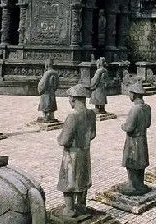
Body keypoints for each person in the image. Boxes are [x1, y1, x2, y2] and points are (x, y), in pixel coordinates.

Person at [57, 83, 96, 217]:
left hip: (72, 154)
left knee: (68, 181)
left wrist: (59, 139)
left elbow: (65, 140)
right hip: (85, 152)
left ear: (73, 99)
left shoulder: (72, 116)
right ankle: (81, 205)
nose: (69, 101)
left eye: (69, 98)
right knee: (82, 178)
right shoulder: (91, 114)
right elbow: (92, 134)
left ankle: (70, 209)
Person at [120, 82, 151, 196]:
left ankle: (133, 185)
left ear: (133, 95)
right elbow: (148, 124)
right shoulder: (147, 107)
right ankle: (140, 183)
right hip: (142, 138)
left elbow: (129, 127)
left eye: (130, 94)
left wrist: (123, 126)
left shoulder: (135, 109)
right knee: (141, 162)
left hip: (134, 140)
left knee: (132, 163)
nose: (129, 96)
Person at [37, 58, 59, 122]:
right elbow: (57, 84)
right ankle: (51, 116)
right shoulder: (55, 73)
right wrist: (54, 89)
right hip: (52, 92)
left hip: (45, 92)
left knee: (46, 104)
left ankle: (46, 117)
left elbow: (42, 83)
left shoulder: (47, 73)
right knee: (51, 103)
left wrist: (40, 90)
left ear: (47, 65)